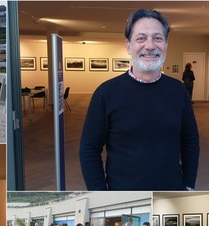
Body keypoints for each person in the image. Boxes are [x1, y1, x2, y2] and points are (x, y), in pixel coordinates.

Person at [79, 8, 200, 191]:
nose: (150, 46)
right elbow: (89, 149)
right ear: (129, 46)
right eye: (141, 38)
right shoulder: (106, 93)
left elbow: (190, 141)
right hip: (122, 194)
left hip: (172, 192)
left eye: (157, 38)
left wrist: (189, 185)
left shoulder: (178, 90)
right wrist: (100, 194)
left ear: (166, 44)